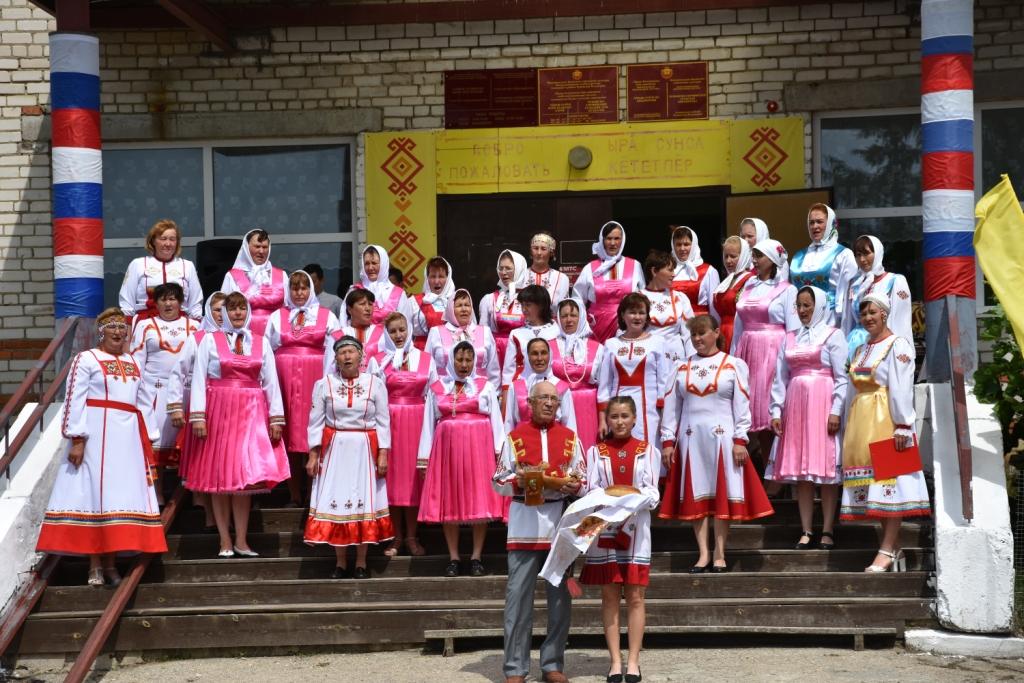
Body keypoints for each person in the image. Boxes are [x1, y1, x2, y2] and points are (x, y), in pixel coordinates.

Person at [36, 309, 167, 587]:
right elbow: (75, 399)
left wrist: (151, 435)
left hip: (128, 439)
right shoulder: (87, 359)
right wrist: (77, 438)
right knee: (95, 496)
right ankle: (94, 564)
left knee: (120, 498)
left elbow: (144, 400)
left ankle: (111, 563)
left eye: (122, 328)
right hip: (98, 436)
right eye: (112, 328)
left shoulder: (133, 362)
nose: (119, 333)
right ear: (101, 332)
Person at [660, 315, 773, 572]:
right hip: (690, 440)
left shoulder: (734, 365)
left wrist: (740, 440)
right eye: (694, 335)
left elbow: (742, 407)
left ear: (716, 332)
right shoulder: (680, 367)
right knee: (697, 496)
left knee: (722, 496)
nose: (698, 339)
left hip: (723, 439)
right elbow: (671, 407)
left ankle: (720, 553)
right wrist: (668, 441)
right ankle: (703, 554)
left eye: (703, 333)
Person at [492, 380, 584, 683]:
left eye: (553, 399)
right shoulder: (515, 438)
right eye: (542, 398)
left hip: (559, 525)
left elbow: (582, 477)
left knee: (560, 599)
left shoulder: (570, 438)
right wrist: (522, 480)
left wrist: (575, 485)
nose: (548, 403)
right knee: (518, 598)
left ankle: (552, 663)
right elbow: (497, 480)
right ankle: (515, 668)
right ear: (529, 402)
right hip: (524, 525)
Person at [188, 292, 289, 558]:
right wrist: (198, 416)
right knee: (221, 477)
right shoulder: (210, 340)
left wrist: (275, 417)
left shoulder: (260, 342)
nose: (236, 314)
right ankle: (224, 540)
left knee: (244, 481)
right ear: (223, 313)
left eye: (241, 309)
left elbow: (270, 381)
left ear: (248, 312)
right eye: (231, 309)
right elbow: (199, 378)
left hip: (251, 411)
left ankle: (242, 540)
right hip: (219, 409)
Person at [841, 294, 931, 572]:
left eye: (873, 312)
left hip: (887, 422)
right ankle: (893, 548)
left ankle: (885, 550)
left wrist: (904, 424)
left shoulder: (897, 345)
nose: (868, 317)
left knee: (889, 487)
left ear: (885, 314)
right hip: (862, 421)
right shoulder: (861, 349)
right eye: (864, 313)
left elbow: (901, 384)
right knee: (877, 492)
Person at [580, 396, 659, 683]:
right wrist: (610, 505)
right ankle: (615, 660)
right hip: (606, 529)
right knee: (610, 594)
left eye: (625, 416)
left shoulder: (647, 450)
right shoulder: (595, 451)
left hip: (636, 530)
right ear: (607, 419)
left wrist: (630, 503)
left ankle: (634, 661)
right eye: (614, 416)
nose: (620, 421)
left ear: (635, 418)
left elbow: (653, 492)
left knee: (636, 596)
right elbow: (591, 490)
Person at [305, 335, 394, 579]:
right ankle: (341, 562)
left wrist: (383, 453)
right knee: (338, 502)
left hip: (365, 450)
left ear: (360, 356)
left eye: (351, 352)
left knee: (361, 502)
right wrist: (313, 455)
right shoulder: (324, 384)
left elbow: (384, 422)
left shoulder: (375, 383)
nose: (346, 356)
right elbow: (315, 422)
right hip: (335, 449)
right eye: (342, 353)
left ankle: (361, 563)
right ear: (335, 358)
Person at [767, 286, 849, 550]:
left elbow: (842, 377)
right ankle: (806, 529)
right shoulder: (790, 338)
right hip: (796, 405)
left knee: (824, 470)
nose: (802, 311)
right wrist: (776, 410)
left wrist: (836, 409)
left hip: (822, 404)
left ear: (820, 307)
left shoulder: (833, 336)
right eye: (799, 306)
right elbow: (780, 377)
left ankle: (827, 529)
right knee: (802, 472)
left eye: (807, 306)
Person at [418, 342, 506, 577]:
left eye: (468, 360)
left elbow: (496, 421)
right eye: (460, 360)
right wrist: (424, 458)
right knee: (450, 500)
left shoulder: (485, 386)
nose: (464, 365)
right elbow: (428, 423)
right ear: (451, 360)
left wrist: (501, 453)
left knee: (479, 499)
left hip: (479, 447)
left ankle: (476, 556)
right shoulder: (437, 387)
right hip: (447, 450)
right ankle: (454, 556)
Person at [266, 271, 341, 507]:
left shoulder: (327, 316)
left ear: (311, 289)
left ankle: (313, 493)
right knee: (288, 435)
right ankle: (294, 494)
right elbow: (267, 350)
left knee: (314, 434)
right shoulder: (277, 316)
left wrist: (329, 381)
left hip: (314, 379)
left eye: (303, 288)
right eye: (295, 288)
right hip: (284, 379)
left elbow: (335, 348)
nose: (299, 293)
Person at [731, 239, 799, 484]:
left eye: (760, 255)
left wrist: (790, 360)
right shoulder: (748, 284)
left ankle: (775, 475)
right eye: (754, 255)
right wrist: (733, 356)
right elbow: (739, 324)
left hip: (772, 352)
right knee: (747, 412)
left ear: (773, 259)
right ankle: (754, 474)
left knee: (768, 412)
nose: (755, 260)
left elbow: (793, 329)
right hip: (748, 349)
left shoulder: (787, 290)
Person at [130, 282, 197, 504]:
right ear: (156, 303)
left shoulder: (195, 326)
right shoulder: (145, 326)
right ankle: (156, 495)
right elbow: (137, 361)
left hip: (187, 391)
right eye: (163, 299)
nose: (168, 304)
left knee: (191, 443)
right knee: (155, 442)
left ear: (180, 302)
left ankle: (195, 494)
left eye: (173, 299)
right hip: (154, 392)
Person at [378, 311, 436, 558]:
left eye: (402, 329)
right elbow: (375, 397)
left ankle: (412, 536)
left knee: (412, 482)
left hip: (417, 422)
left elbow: (432, 396)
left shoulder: (426, 359)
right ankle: (395, 536)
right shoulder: (379, 361)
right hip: (389, 423)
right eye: (393, 331)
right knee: (390, 480)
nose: (398, 335)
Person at [168, 291, 226, 529]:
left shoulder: (240, 339)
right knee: (206, 463)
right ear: (208, 312)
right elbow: (178, 372)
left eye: (226, 309)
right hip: (203, 406)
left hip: (230, 409)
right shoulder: (198, 338)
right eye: (216, 310)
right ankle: (210, 517)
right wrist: (176, 407)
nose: (221, 315)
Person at [598, 293, 673, 448]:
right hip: (617, 412)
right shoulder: (611, 344)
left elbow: (664, 382)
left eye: (641, 313)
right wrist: (602, 420)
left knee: (649, 451)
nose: (637, 317)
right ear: (623, 315)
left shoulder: (658, 342)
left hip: (650, 412)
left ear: (647, 317)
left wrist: (664, 418)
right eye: (632, 312)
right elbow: (604, 385)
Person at [119, 219, 204, 330]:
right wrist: (128, 334)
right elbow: (127, 301)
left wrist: (195, 327)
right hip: (146, 324)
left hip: (181, 326)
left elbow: (195, 303)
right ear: (153, 241)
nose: (168, 244)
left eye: (172, 239)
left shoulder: (187, 266)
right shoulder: (138, 264)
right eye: (163, 239)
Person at [841, 235, 913, 359]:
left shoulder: (894, 281)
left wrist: (899, 351)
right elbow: (847, 321)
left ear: (878, 252)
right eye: (858, 255)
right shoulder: (854, 285)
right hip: (854, 345)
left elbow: (901, 321)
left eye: (867, 253)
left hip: (883, 345)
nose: (862, 259)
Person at [573, 221, 645, 343]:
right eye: (609, 238)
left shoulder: (635, 265)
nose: (612, 243)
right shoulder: (590, 268)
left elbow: (642, 297)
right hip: (596, 327)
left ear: (622, 240)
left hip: (626, 325)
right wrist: (582, 325)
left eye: (617, 238)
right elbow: (577, 300)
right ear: (602, 240)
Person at [788, 203, 858, 325]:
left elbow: (848, 295)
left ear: (831, 223)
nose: (815, 226)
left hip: (830, 320)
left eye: (819, 222)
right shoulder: (798, 256)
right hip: (800, 320)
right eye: (811, 222)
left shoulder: (843, 255)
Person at [550, 297, 605, 453]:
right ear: (558, 319)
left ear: (581, 317)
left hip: (589, 409)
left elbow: (604, 387)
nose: (569, 320)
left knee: (588, 449)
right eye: (564, 315)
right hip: (560, 408)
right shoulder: (548, 346)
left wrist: (603, 418)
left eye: (573, 315)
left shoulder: (598, 348)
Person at [425, 288, 501, 388]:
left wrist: (492, 394)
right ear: (451, 309)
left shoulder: (485, 332)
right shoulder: (436, 332)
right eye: (459, 305)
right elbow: (427, 368)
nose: (464, 309)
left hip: (480, 392)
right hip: (444, 392)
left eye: (467, 305)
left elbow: (493, 369)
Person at [221, 228, 286, 337]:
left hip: (276, 336)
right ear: (246, 248)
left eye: (265, 247)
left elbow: (289, 308)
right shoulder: (232, 276)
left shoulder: (282, 275)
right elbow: (224, 310)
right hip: (244, 337)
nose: (261, 251)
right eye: (257, 246)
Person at [504, 337, 577, 433]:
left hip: (554, 439)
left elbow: (569, 423)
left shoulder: (562, 386)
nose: (539, 358)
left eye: (543, 353)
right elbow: (509, 423)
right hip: (523, 441)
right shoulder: (515, 386)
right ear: (527, 357)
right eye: (534, 354)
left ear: (550, 355)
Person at [641, 250, 696, 366]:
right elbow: (626, 332)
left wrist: (692, 362)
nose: (673, 274)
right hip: (648, 360)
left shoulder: (680, 298)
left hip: (676, 361)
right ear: (654, 271)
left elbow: (689, 334)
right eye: (670, 270)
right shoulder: (637, 299)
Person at [501, 284, 559, 392]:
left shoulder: (558, 330)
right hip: (523, 390)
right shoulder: (516, 334)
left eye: (528, 305)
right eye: (522, 305)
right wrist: (505, 396)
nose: (524, 309)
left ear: (541, 305)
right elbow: (508, 371)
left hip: (553, 389)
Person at [479, 249, 529, 368]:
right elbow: (482, 334)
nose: (504, 272)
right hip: (496, 356)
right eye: (500, 268)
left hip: (523, 352)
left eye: (508, 268)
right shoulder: (489, 299)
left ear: (519, 268)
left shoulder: (530, 298)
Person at [709, 236, 754, 352]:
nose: (728, 261)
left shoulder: (750, 281)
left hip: (738, 334)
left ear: (743, 256)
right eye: (726, 256)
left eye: (733, 256)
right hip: (721, 335)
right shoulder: (725, 282)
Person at [347, 244, 409, 326]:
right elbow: (344, 321)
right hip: (359, 338)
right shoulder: (354, 290)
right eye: (367, 263)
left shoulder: (399, 294)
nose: (370, 267)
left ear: (383, 264)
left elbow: (406, 324)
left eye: (374, 263)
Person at [327, 288, 385, 374]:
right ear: (350, 309)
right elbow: (329, 369)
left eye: (370, 304)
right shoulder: (337, 336)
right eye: (362, 304)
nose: (368, 308)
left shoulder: (383, 334)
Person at [670, 225, 719, 316]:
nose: (682, 248)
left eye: (686, 244)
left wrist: (715, 328)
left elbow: (714, 307)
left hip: (700, 325)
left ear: (694, 245)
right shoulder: (668, 270)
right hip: (674, 326)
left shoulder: (709, 271)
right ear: (673, 246)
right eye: (678, 244)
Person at [408, 256, 456, 350]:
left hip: (451, 353)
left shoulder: (457, 301)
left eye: (441, 276)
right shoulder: (413, 302)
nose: (437, 281)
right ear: (427, 278)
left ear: (448, 278)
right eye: (433, 276)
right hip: (421, 353)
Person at [527, 232, 570, 312]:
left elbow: (563, 309)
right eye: (535, 248)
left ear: (551, 252)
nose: (539, 253)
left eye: (543, 249)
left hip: (551, 323)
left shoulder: (561, 278)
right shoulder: (521, 275)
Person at [739, 217, 788, 281]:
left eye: (750, 236)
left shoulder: (776, 259)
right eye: (742, 237)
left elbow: (781, 287)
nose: (745, 240)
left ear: (761, 235)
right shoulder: (740, 259)